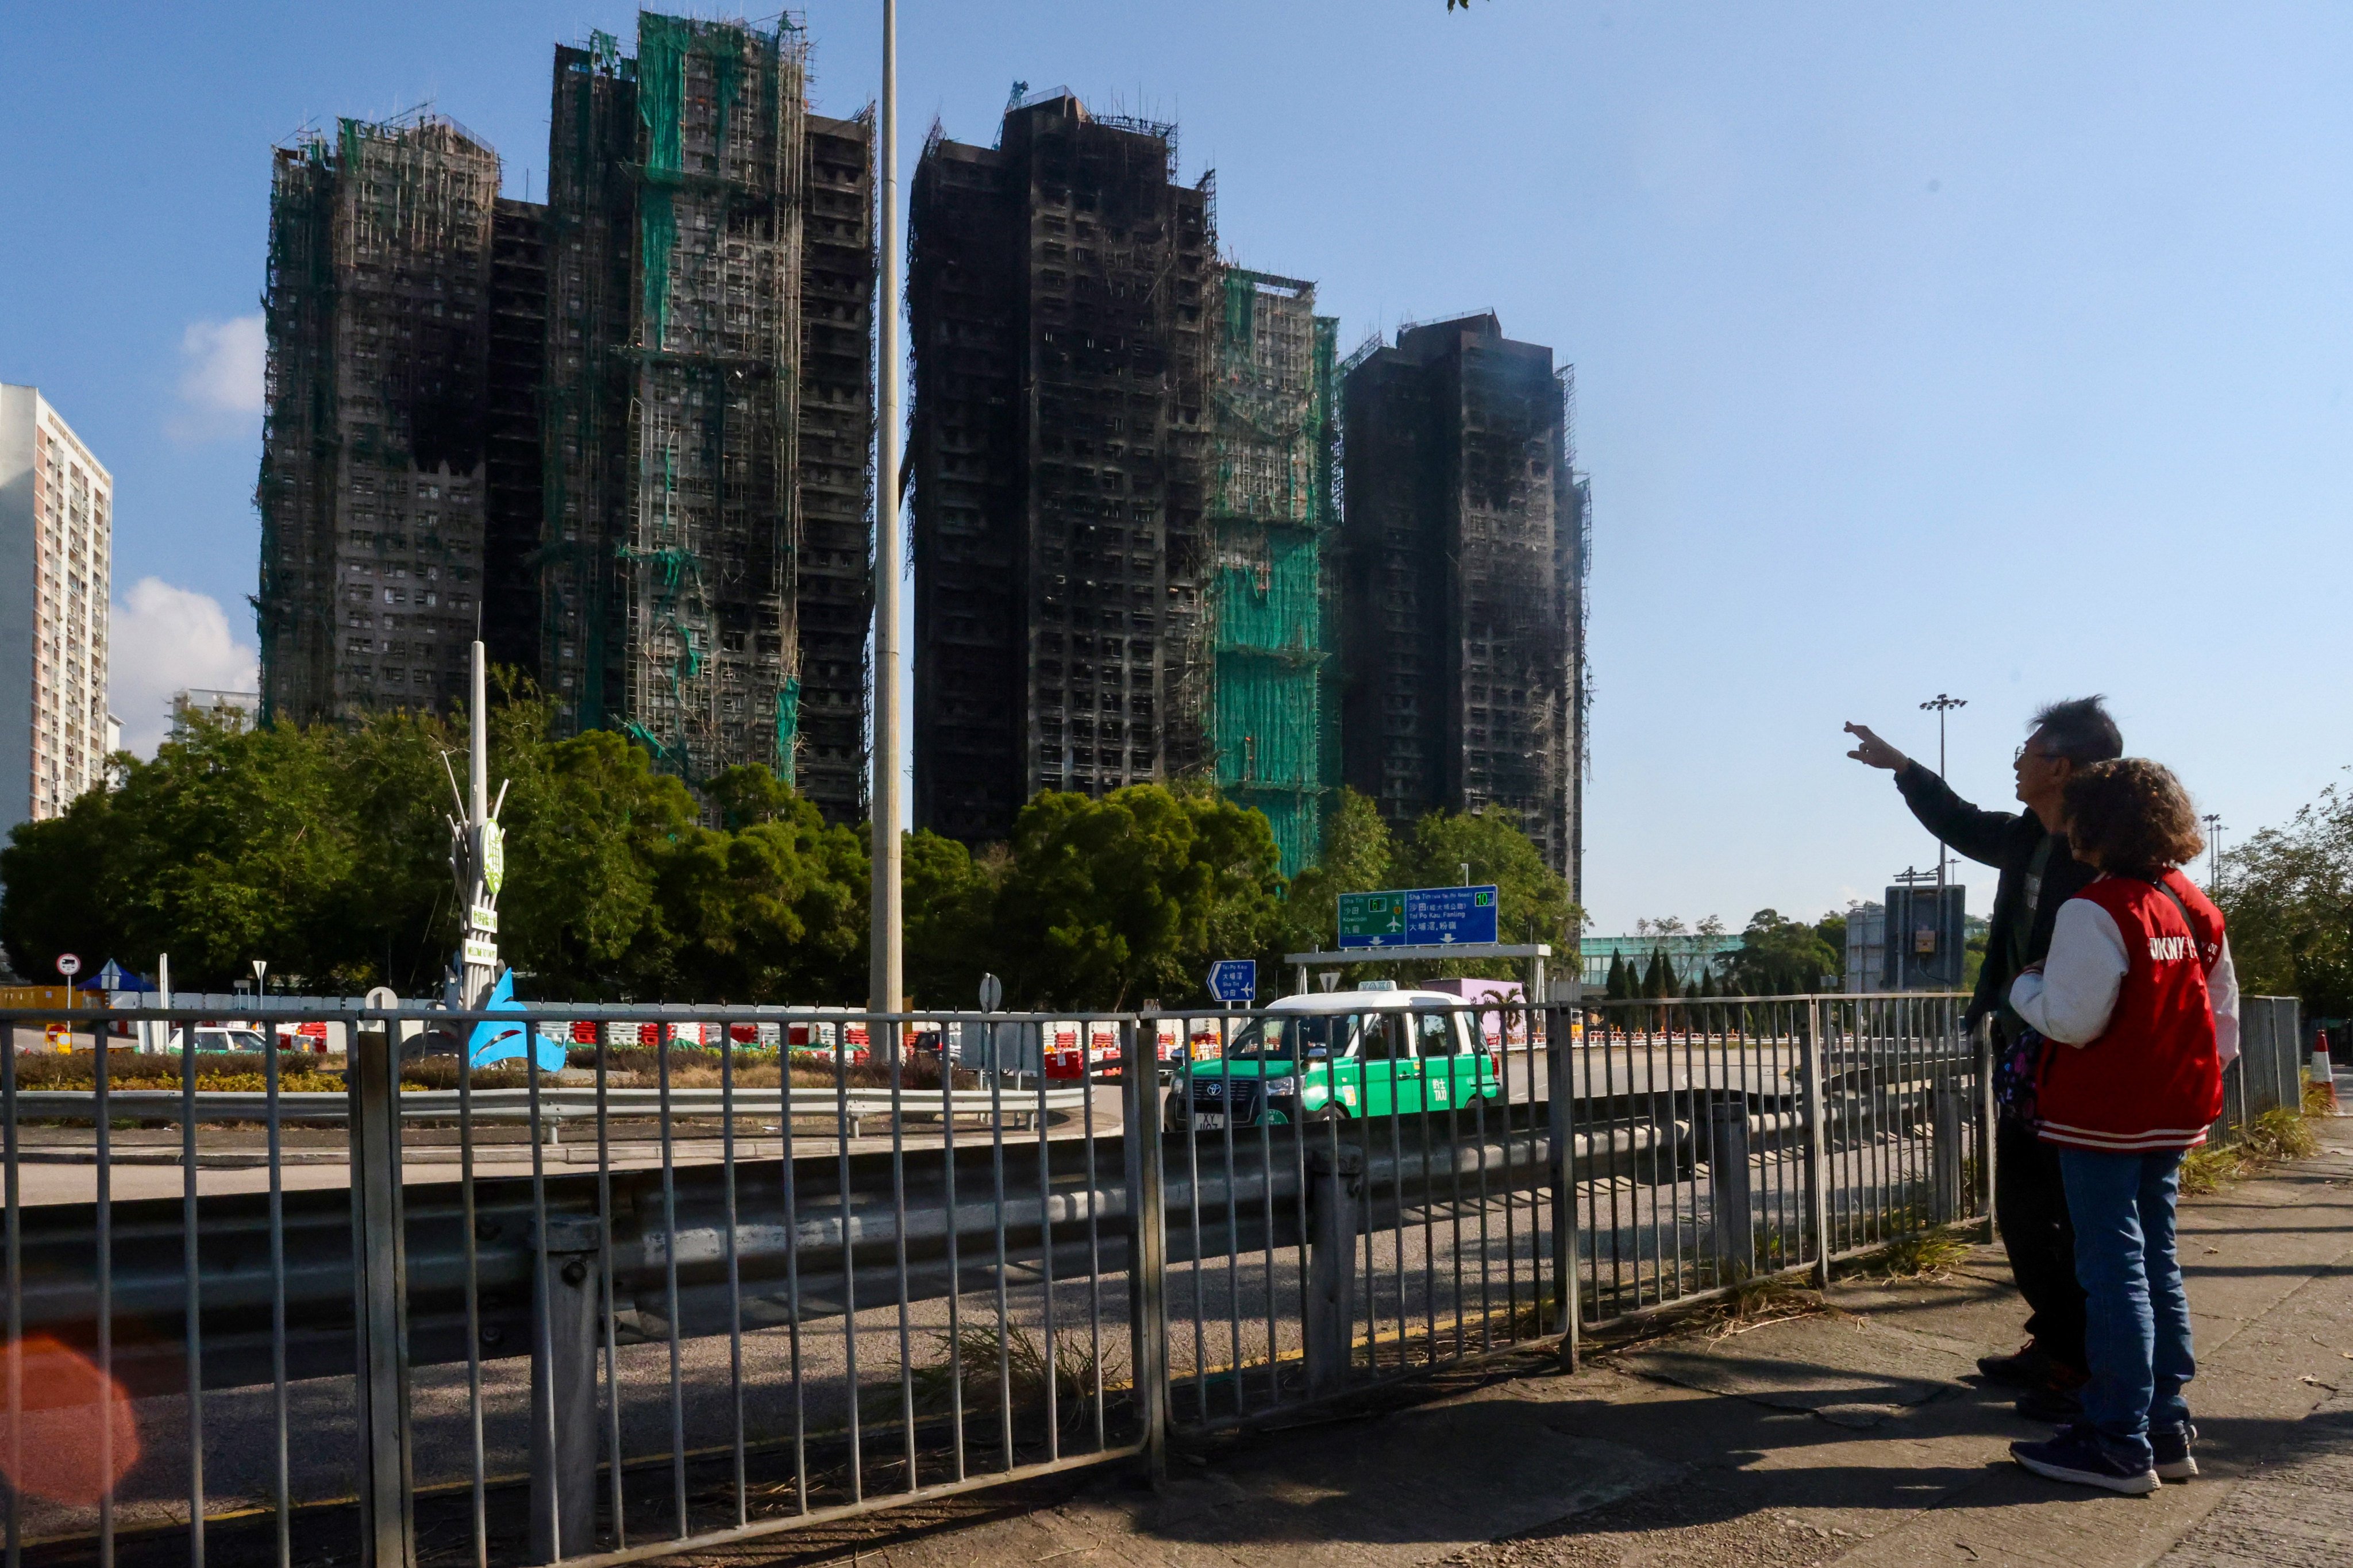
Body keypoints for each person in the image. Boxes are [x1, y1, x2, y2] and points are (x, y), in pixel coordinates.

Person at [1844, 696, 2121, 1419]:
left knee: (2071, 1217)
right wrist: (1903, 767)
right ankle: (2056, 1340)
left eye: (2028, 753)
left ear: (2060, 766)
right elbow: (1960, 820)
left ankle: (2085, 1365)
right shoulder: (2028, 835)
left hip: (2079, 1054)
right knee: (2023, 1209)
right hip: (2023, 1047)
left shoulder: (2104, 854)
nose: (2016, 764)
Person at [2007, 758, 2236, 1493]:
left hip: (2103, 1114)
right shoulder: (2193, 903)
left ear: (2095, 822)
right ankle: (2165, 1426)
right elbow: (2223, 1020)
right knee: (2156, 1262)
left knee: (2111, 1269)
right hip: (2175, 1110)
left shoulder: (2096, 906)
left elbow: (2073, 1019)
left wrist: (2024, 988)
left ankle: (2116, 1439)